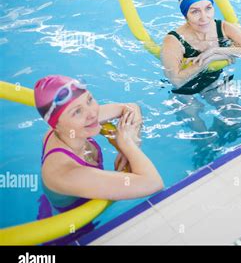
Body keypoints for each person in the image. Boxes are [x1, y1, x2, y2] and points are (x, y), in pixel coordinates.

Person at [160, 0, 241, 167]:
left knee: (235, 119)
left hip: (214, 80)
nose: (204, 17)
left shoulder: (223, 27)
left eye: (208, 8)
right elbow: (176, 80)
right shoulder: (173, 40)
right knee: (202, 135)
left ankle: (220, 147)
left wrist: (219, 50)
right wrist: (205, 61)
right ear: (185, 14)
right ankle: (205, 155)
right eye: (195, 11)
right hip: (185, 89)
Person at [36, 75, 164, 224]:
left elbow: (130, 108)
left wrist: (134, 140)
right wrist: (126, 144)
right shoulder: (64, 173)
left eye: (89, 100)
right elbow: (153, 183)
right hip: (72, 231)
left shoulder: (73, 127)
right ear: (55, 125)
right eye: (77, 112)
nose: (92, 114)